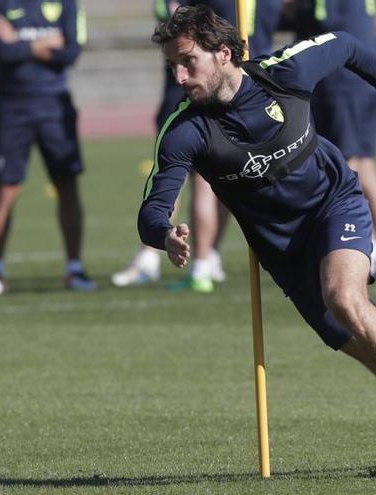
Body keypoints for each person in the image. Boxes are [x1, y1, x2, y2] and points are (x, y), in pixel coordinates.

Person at [139, 5, 376, 467]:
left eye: (188, 62)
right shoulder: (184, 131)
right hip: (285, 254)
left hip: (335, 204)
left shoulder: (281, 74)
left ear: (223, 53)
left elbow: (345, 44)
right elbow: (152, 211)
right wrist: (166, 235)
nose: (179, 77)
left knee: (345, 297)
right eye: (172, 67)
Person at [111, 0, 282, 293]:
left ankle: (194, 261)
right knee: (225, 173)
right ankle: (203, 256)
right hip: (248, 85)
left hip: (211, 85)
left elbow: (177, 24)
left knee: (200, 173)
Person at [0, 0, 97, 296]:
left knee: (67, 185)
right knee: (5, 189)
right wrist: (43, 45)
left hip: (55, 108)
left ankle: (74, 269)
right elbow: (0, 51)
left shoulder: (67, 3)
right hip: (11, 108)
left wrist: (18, 42)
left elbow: (71, 52)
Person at [295, 0, 376, 277]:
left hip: (342, 83)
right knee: (365, 164)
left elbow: (321, 26)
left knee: (349, 167)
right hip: (364, 80)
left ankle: (370, 247)